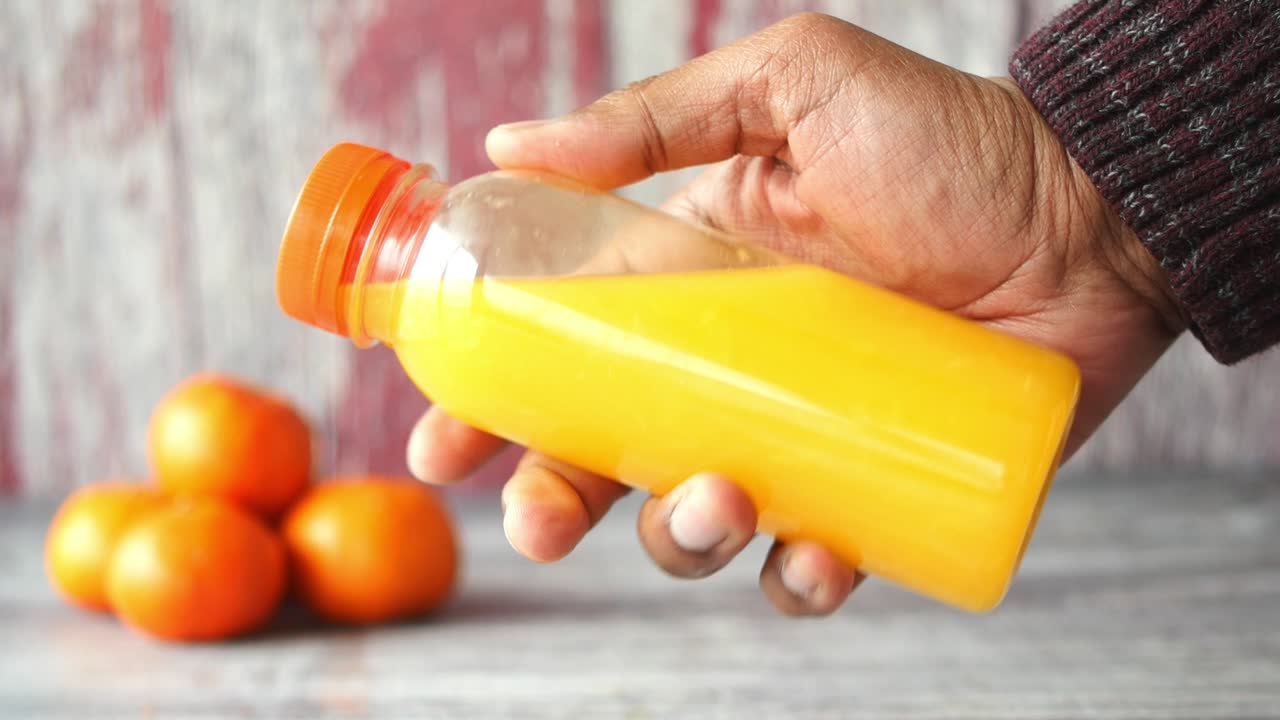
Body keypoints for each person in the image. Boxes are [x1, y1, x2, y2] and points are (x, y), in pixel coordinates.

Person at [406, 2, 1279, 616]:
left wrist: (1075, 199)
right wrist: (1090, 223)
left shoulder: (479, 233)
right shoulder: (438, 333)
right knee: (706, 486)